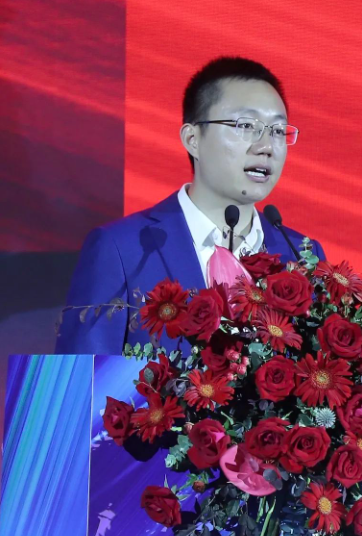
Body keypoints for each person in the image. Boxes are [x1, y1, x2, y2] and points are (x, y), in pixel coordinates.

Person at [55, 56, 326, 355]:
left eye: (277, 130)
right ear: (193, 139)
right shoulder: (122, 249)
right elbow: (84, 380)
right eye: (246, 126)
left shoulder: (302, 254)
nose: (266, 147)